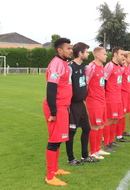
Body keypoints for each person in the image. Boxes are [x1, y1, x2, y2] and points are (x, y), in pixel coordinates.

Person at [43, 38, 73, 186]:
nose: (71, 50)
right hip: (56, 107)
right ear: (60, 50)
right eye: (68, 48)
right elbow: (51, 88)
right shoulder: (56, 64)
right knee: (53, 141)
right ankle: (49, 177)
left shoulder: (64, 63)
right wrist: (53, 111)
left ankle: (55, 169)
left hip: (62, 107)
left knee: (59, 139)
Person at [66, 42, 99, 166]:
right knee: (72, 131)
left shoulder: (83, 67)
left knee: (86, 128)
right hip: (72, 104)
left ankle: (85, 156)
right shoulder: (70, 67)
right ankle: (70, 158)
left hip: (81, 104)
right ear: (80, 53)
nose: (88, 54)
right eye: (86, 52)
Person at [85, 47, 111, 158]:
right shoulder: (90, 67)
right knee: (95, 126)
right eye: (104, 54)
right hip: (94, 101)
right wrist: (88, 97)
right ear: (97, 55)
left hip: (102, 100)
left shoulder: (102, 67)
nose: (106, 56)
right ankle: (92, 151)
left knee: (101, 125)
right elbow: (85, 84)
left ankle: (98, 148)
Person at [103, 46, 125, 152]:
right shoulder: (109, 66)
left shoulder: (119, 67)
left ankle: (111, 141)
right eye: (121, 54)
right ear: (115, 54)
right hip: (110, 98)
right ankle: (106, 143)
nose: (123, 57)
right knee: (109, 120)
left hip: (118, 97)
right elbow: (104, 81)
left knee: (116, 119)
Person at [115, 51, 130, 139]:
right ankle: (118, 133)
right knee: (120, 113)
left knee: (124, 113)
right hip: (122, 93)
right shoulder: (122, 68)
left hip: (126, 92)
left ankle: (122, 130)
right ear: (125, 58)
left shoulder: (127, 68)